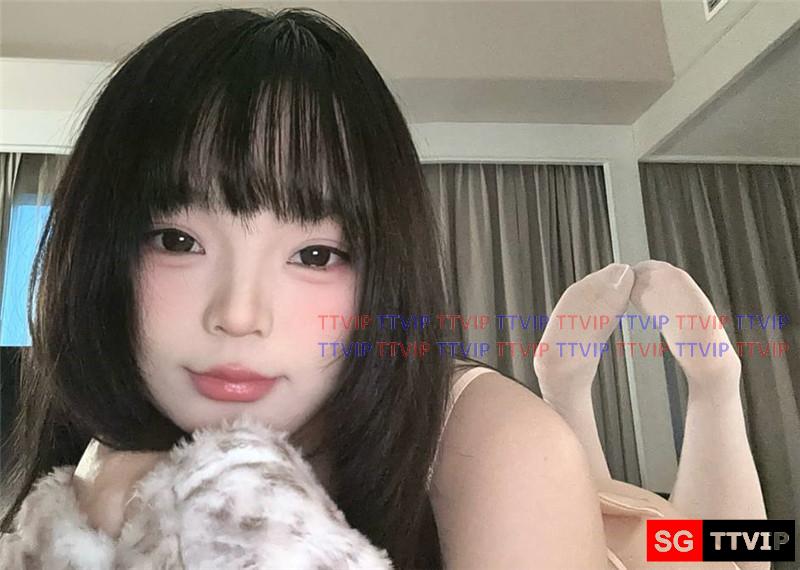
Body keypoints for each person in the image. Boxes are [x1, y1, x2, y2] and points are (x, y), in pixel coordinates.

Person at [0, 7, 607, 569]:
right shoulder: (83, 447)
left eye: (315, 255)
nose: (240, 315)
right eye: (177, 242)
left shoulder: (501, 445)